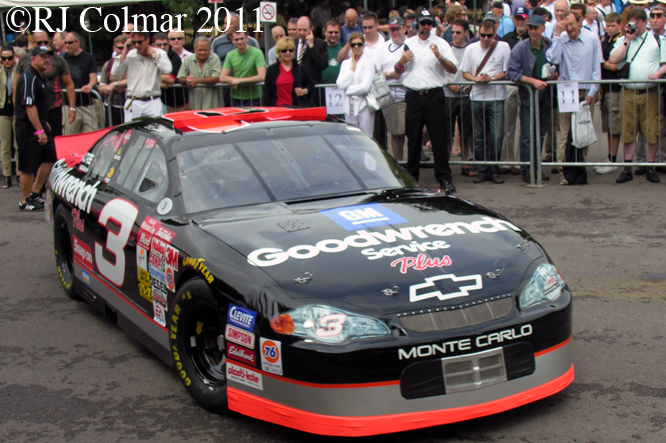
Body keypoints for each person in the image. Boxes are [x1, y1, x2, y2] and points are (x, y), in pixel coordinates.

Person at [396, 9, 458, 193]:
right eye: (422, 23)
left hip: (434, 94)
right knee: (413, 137)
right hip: (414, 95)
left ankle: (444, 178)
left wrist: (440, 57)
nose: (425, 27)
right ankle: (412, 177)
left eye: (428, 23)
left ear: (433, 25)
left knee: (438, 138)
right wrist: (401, 60)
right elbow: (397, 70)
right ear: (417, 24)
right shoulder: (408, 43)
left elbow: (453, 69)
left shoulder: (441, 44)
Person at [610, 8, 666, 184]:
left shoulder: (657, 40)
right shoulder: (625, 39)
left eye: (635, 22)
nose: (632, 25)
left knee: (651, 130)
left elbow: (665, 63)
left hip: (650, 91)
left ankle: (650, 167)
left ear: (643, 22)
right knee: (627, 129)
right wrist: (627, 39)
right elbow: (614, 59)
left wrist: (657, 74)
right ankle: (627, 168)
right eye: (629, 22)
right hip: (628, 91)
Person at [546, 10, 601, 185]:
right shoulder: (561, 38)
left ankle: (580, 168)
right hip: (567, 90)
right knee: (565, 133)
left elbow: (596, 69)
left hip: (585, 91)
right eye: (565, 25)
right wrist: (556, 34)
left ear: (579, 22)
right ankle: (565, 171)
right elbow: (552, 58)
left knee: (582, 132)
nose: (569, 28)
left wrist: (592, 93)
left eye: (571, 24)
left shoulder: (591, 39)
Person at [461, 19, 512, 184]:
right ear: (479, 33)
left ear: (494, 34)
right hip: (476, 97)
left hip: (496, 96)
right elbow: (465, 72)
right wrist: (476, 79)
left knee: (496, 136)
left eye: (489, 36)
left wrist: (492, 78)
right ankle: (483, 169)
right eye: (482, 35)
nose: (485, 38)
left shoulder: (503, 47)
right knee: (479, 137)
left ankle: (494, 168)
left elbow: (507, 71)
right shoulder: (471, 49)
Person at [507, 14, 555, 183]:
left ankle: (536, 167)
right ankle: (527, 168)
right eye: (531, 28)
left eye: (536, 28)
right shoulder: (521, 47)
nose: (533, 31)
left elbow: (558, 63)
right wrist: (532, 81)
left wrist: (553, 74)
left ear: (543, 28)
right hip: (529, 95)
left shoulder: (550, 45)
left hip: (546, 94)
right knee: (527, 134)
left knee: (541, 133)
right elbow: (511, 73)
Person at [14, 31, 76, 141]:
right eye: (39, 42)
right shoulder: (25, 60)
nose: (43, 44)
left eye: (46, 42)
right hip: (31, 109)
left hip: (53, 107)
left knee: (55, 142)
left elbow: (69, 83)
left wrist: (72, 108)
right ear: (33, 43)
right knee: (31, 146)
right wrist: (16, 109)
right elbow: (16, 85)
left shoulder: (58, 59)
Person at [15, 46, 56, 211]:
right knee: (28, 164)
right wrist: (39, 130)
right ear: (33, 59)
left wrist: (43, 122)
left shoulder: (40, 77)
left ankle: (35, 192)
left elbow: (38, 105)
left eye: (48, 57)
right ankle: (25, 201)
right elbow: (29, 106)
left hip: (39, 123)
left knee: (50, 157)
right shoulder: (29, 77)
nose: (46, 60)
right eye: (42, 57)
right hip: (27, 127)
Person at [111, 28, 172, 121]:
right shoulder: (130, 55)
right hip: (133, 101)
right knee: (130, 132)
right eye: (134, 42)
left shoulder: (159, 53)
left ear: (147, 40)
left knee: (155, 131)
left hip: (153, 101)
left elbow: (167, 69)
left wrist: (154, 56)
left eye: (140, 42)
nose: (137, 45)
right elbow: (115, 73)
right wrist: (124, 51)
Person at [501, 6, 531, 175]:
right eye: (518, 18)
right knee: (509, 125)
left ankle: (523, 161)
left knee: (525, 128)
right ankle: (507, 161)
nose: (521, 21)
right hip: (511, 86)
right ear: (513, 19)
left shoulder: (532, 38)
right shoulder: (506, 40)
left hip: (526, 87)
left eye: (523, 18)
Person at [444, 19, 475, 176]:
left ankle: (464, 163)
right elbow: (439, 71)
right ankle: (447, 164)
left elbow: (474, 70)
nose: (455, 35)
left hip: (466, 94)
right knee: (447, 132)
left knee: (466, 131)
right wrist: (449, 84)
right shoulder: (446, 49)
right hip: (448, 94)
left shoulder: (471, 50)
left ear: (466, 33)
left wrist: (470, 84)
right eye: (453, 32)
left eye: (458, 32)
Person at [377, 17, 408, 161]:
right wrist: (389, 74)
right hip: (394, 96)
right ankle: (400, 164)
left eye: (397, 28)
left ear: (404, 28)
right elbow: (375, 72)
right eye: (392, 29)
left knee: (417, 130)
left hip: (414, 93)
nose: (395, 32)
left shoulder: (412, 43)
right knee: (396, 133)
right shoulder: (383, 48)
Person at [596, 12, 623, 175]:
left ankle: (613, 159)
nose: (610, 28)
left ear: (619, 25)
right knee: (607, 125)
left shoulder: (620, 41)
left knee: (614, 125)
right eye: (608, 25)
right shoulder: (604, 40)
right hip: (605, 88)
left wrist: (602, 64)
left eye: (613, 25)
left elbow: (614, 65)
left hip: (615, 88)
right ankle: (609, 157)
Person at [336, 33, 376, 135]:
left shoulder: (369, 62)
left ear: (363, 45)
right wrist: (352, 68)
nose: (356, 47)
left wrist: (347, 90)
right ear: (350, 46)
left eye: (359, 44)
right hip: (348, 106)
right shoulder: (346, 63)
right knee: (352, 137)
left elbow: (365, 87)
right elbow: (340, 84)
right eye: (353, 44)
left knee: (366, 136)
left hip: (364, 105)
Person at [63, 31, 98, 135]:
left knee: (93, 136)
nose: (67, 45)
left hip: (87, 103)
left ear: (77, 42)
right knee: (70, 138)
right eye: (65, 43)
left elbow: (93, 77)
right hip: (68, 105)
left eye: (70, 43)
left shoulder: (88, 57)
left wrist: (90, 85)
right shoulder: (63, 59)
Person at [263, 37, 314, 107]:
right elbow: (267, 93)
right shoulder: (271, 70)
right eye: (284, 51)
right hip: (277, 109)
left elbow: (311, 85)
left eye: (290, 50)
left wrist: (304, 91)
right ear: (278, 52)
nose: (288, 53)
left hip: (296, 109)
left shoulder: (300, 68)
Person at [220, 31, 266, 107]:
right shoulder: (230, 55)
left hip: (254, 97)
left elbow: (262, 76)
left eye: (242, 38)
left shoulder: (257, 53)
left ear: (247, 38)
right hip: (236, 97)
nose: (239, 41)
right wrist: (234, 80)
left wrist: (239, 81)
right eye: (236, 39)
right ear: (232, 40)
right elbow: (222, 77)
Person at [178, 36, 222, 110]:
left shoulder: (215, 58)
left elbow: (216, 78)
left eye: (205, 50)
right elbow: (180, 77)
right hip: (194, 103)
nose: (202, 52)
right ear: (195, 50)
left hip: (212, 103)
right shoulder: (188, 59)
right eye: (200, 50)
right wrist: (187, 80)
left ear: (209, 49)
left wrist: (197, 81)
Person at [152, 33, 189, 113]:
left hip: (176, 103)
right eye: (159, 45)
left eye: (165, 44)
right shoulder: (149, 56)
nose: (162, 47)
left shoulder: (175, 57)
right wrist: (159, 82)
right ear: (153, 45)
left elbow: (170, 79)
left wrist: (152, 76)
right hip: (156, 100)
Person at [295, 16, 329, 104]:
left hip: (313, 92)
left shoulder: (320, 44)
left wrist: (312, 46)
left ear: (311, 29)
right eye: (299, 30)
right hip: (296, 91)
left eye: (304, 30)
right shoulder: (292, 44)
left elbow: (323, 65)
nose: (301, 33)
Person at [99, 35, 128, 126]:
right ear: (114, 48)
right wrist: (114, 88)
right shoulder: (109, 64)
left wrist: (115, 84)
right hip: (112, 107)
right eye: (120, 48)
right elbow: (101, 88)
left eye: (126, 48)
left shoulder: (135, 62)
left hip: (131, 106)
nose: (123, 51)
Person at [0, 46, 16, 189]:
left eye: (9, 58)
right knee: (5, 146)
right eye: (3, 58)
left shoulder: (18, 71)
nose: (6, 61)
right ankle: (7, 176)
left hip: (17, 111)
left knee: (18, 145)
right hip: (3, 111)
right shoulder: (0, 72)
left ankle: (19, 173)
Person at [321, 20, 343, 85]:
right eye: (331, 32)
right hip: (321, 88)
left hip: (340, 88)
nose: (333, 35)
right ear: (325, 32)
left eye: (336, 32)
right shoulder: (319, 47)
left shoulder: (343, 48)